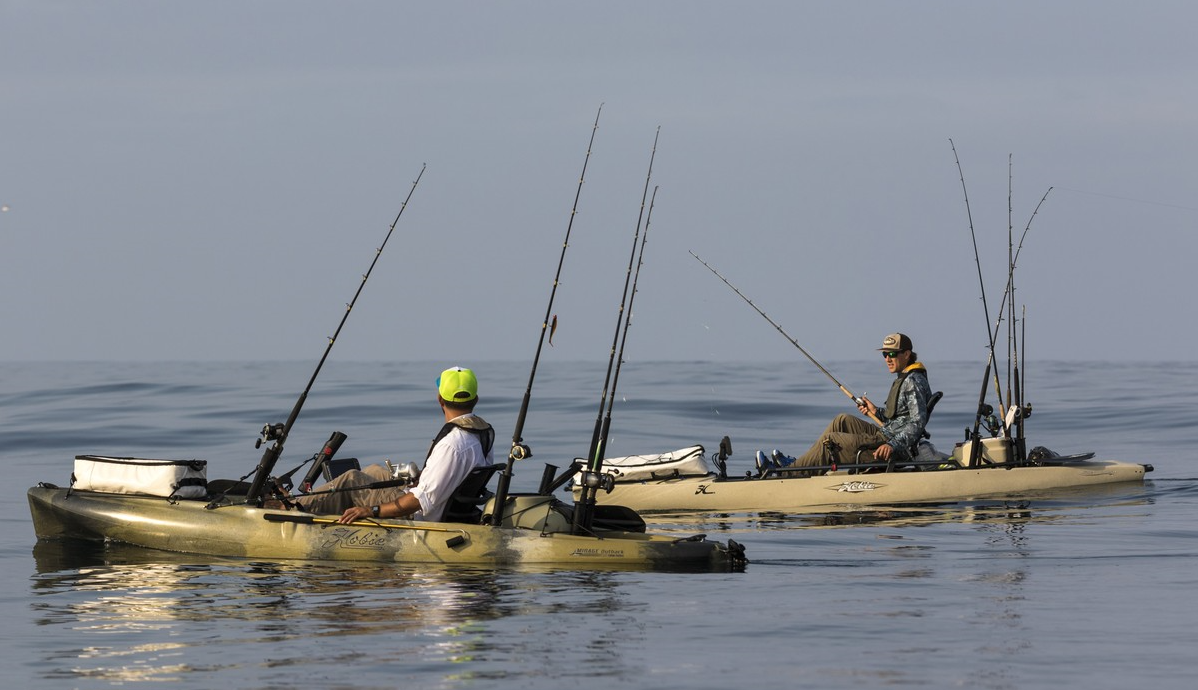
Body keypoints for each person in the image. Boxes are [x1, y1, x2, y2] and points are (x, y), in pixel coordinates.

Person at [294, 366, 495, 523]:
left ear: (440, 399)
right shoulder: (480, 434)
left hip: (420, 516)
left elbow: (419, 502)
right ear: (475, 399)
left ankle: (291, 509)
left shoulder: (452, 444)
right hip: (444, 503)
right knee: (374, 471)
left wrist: (371, 510)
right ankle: (302, 504)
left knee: (352, 480)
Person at [789, 333, 932, 470]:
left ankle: (790, 471)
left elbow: (917, 422)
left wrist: (892, 445)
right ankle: (802, 462)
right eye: (885, 354)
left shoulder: (913, 381)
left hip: (894, 446)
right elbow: (900, 417)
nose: (887, 359)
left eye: (892, 354)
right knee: (842, 420)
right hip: (887, 434)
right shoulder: (905, 377)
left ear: (907, 354)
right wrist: (876, 411)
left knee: (831, 441)